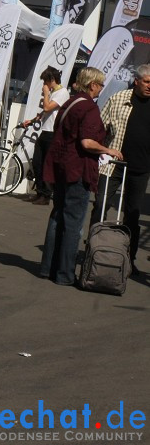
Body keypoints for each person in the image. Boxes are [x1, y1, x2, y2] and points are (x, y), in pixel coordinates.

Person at [40, 67, 122, 286]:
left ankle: (48, 267)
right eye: (101, 84)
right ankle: (65, 274)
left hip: (60, 167)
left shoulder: (70, 102)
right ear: (93, 85)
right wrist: (108, 150)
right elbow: (87, 142)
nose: (102, 88)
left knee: (58, 216)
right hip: (77, 169)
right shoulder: (88, 107)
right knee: (73, 222)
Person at [88, 63, 150, 276]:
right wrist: (103, 152)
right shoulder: (118, 99)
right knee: (100, 206)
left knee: (132, 215)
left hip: (141, 169)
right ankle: (92, 252)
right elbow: (99, 128)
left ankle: (128, 260)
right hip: (114, 166)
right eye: (147, 82)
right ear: (137, 81)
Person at [22, 66, 69, 205]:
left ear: (52, 80)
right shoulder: (54, 92)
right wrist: (31, 120)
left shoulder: (62, 92)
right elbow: (45, 113)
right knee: (37, 162)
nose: (44, 85)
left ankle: (47, 194)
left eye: (45, 82)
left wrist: (46, 93)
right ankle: (40, 191)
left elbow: (48, 107)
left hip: (53, 133)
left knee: (47, 164)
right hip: (45, 131)